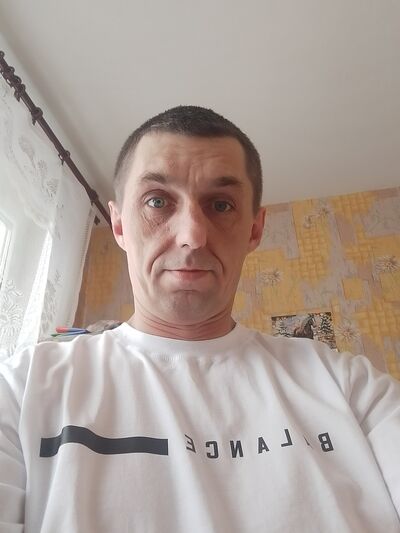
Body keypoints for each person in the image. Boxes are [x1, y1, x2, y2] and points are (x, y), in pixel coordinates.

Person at [0, 106, 399, 533]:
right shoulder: (22, 388)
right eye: (157, 201)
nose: (192, 235)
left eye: (221, 205)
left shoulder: (352, 389)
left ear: (254, 229)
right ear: (119, 225)